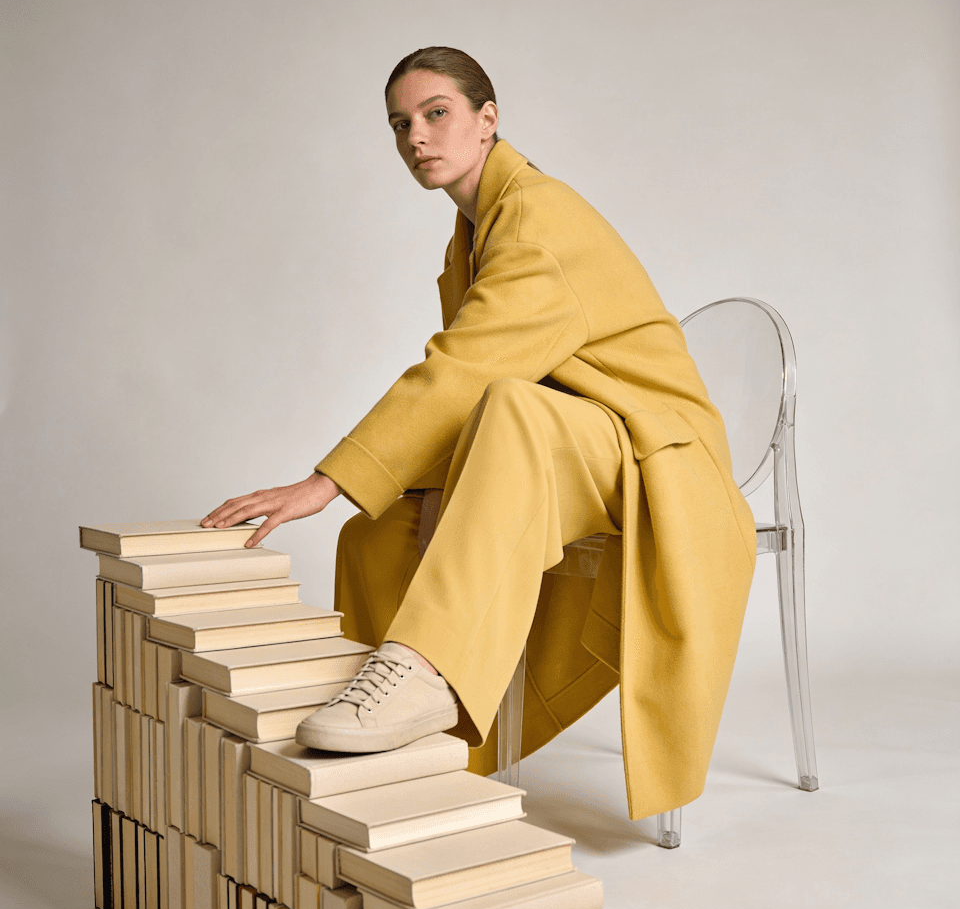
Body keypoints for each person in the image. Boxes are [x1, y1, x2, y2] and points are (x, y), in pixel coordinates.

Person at [202, 46, 756, 820]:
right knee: (378, 527)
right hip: (571, 444)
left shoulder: (536, 215)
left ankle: (429, 670)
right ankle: (391, 730)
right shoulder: (470, 234)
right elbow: (475, 386)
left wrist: (321, 482)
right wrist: (400, 488)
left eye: (437, 114)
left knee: (509, 410)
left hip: (653, 450)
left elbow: (465, 373)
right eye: (400, 124)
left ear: (487, 120)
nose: (416, 138)